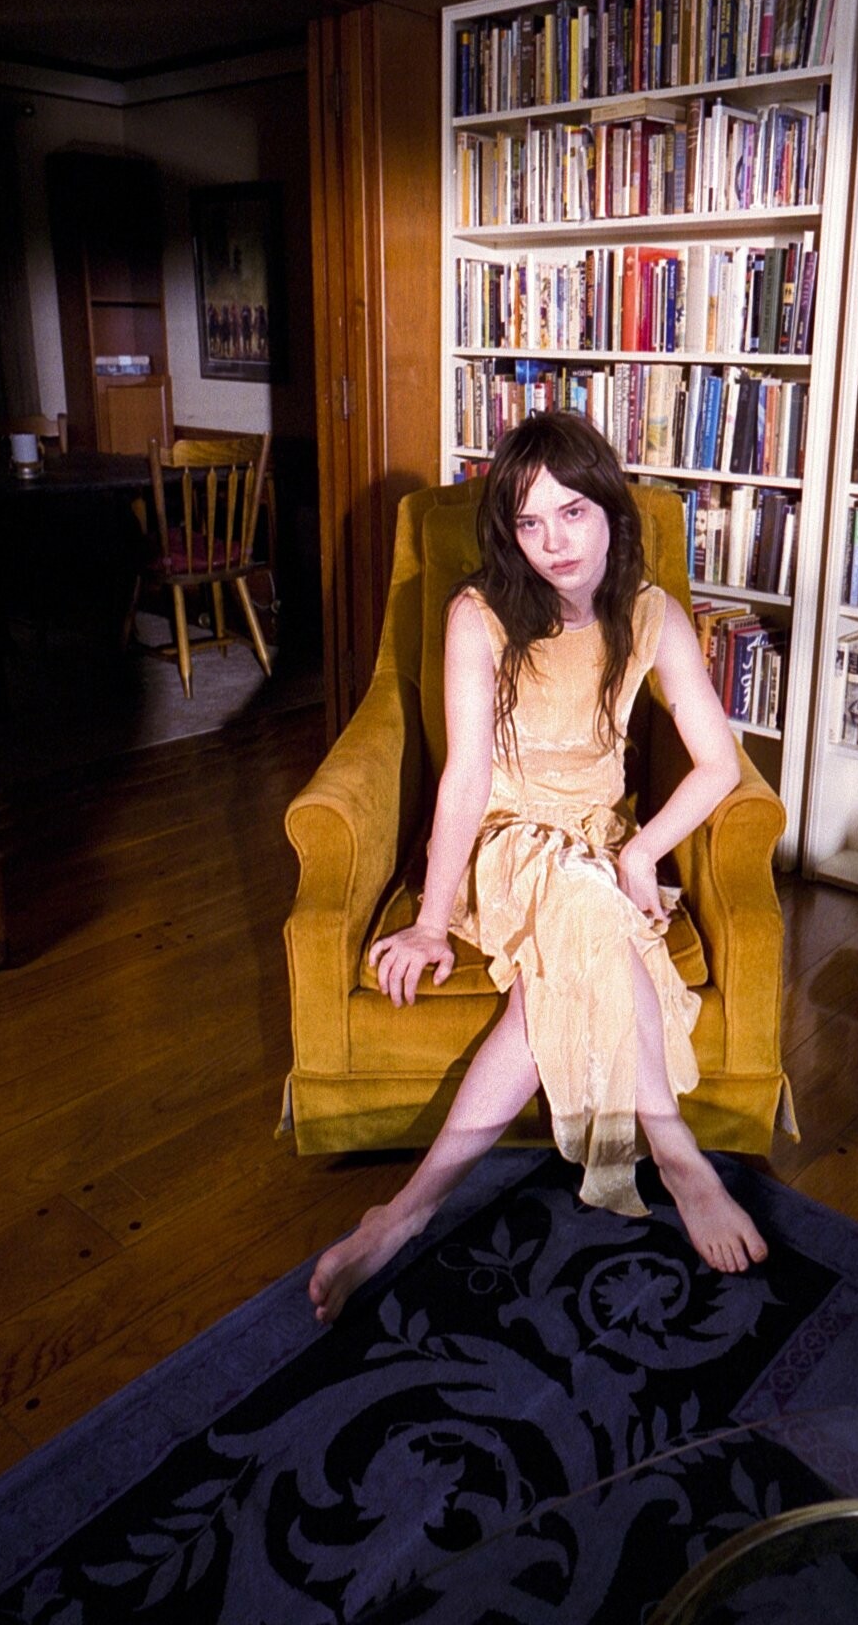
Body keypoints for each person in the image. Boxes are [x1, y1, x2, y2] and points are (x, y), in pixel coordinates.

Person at [309, 411, 768, 1325]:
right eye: (528, 521)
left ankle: (403, 1213)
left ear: (609, 511)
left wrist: (640, 849)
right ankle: (674, 1152)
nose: (553, 542)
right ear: (508, 534)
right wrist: (431, 921)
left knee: (560, 964)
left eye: (572, 512)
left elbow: (719, 764)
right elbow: (466, 777)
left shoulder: (652, 613)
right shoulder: (477, 615)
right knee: (592, 913)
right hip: (509, 839)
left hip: (596, 839)